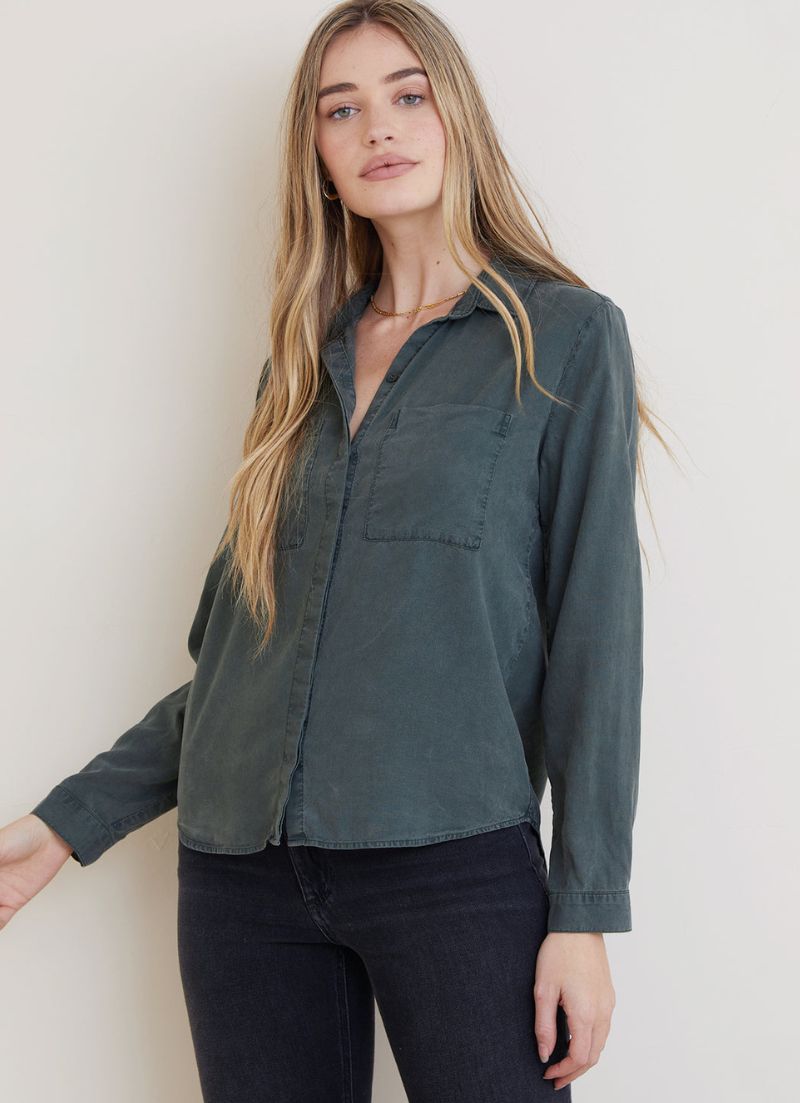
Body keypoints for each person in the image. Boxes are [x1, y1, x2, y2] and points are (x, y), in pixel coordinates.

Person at [1, 2, 673, 1099]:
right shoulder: (297, 366)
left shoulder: (563, 337)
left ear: (456, 116)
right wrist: (60, 825)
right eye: (341, 110)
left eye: (408, 94)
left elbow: (597, 641)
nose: (379, 129)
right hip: (242, 884)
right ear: (315, 153)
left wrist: (585, 911)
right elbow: (242, 670)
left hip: (455, 868)